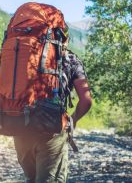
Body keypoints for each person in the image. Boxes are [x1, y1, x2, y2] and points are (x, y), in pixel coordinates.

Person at [13, 44, 92, 182]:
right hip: (53, 131)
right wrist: (72, 121)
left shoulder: (20, 53)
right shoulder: (69, 58)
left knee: (31, 179)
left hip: (20, 127)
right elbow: (86, 101)